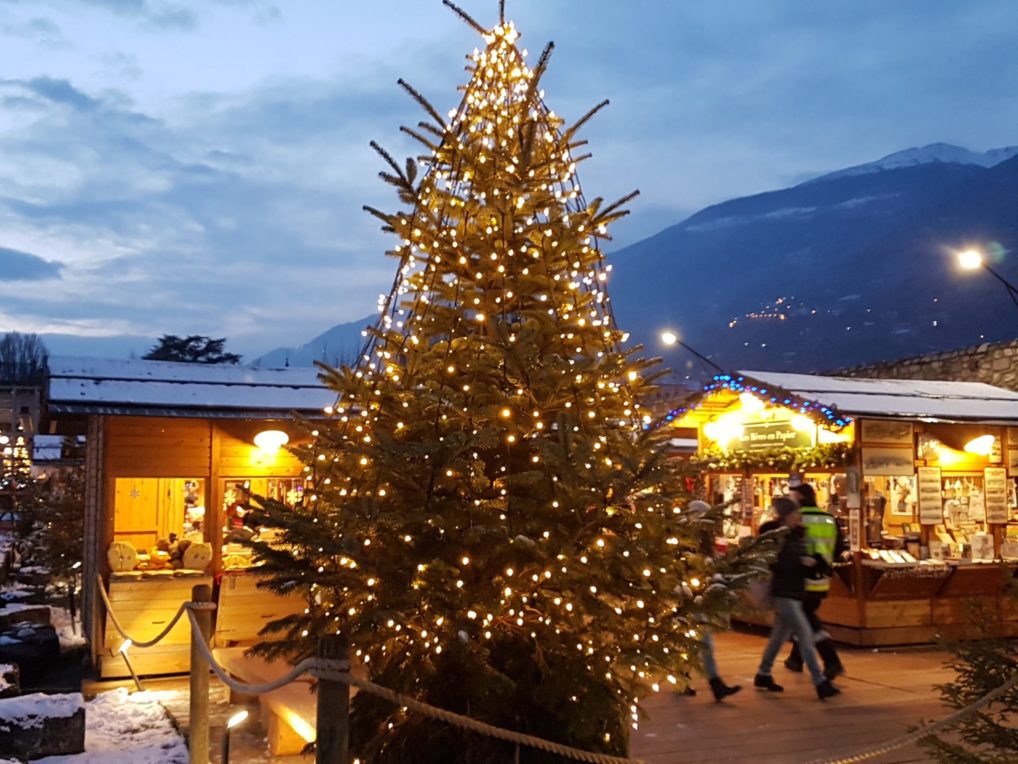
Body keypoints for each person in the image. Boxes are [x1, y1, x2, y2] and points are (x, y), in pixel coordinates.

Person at [755, 497, 840, 700]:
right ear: (786, 517)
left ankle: (763, 674)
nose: (799, 517)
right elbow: (777, 563)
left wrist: (812, 563)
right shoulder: (778, 537)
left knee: (778, 637)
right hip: (785, 593)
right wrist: (802, 562)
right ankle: (820, 682)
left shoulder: (795, 535)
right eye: (795, 514)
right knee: (805, 635)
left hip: (794, 591)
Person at [784, 482, 847, 680]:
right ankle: (795, 659)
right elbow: (839, 550)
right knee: (804, 617)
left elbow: (787, 548)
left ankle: (832, 661)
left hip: (800, 579)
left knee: (809, 621)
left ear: (800, 498)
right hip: (821, 580)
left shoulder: (796, 519)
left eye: (792, 497)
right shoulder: (829, 519)